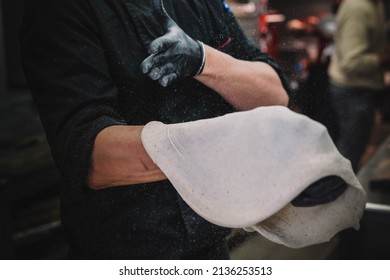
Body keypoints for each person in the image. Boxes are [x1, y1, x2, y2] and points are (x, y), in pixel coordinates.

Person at [20, 0, 289, 259]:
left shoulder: (201, 3)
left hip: (212, 248)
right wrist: (216, 144)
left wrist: (204, 60)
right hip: (120, 256)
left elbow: (275, 95)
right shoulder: (59, 8)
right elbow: (91, 156)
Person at [328, 0, 390, 172]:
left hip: (359, 89)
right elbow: (351, 62)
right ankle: (338, 196)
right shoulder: (358, 8)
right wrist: (382, 59)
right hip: (352, 90)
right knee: (349, 154)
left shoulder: (373, 4)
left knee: (353, 150)